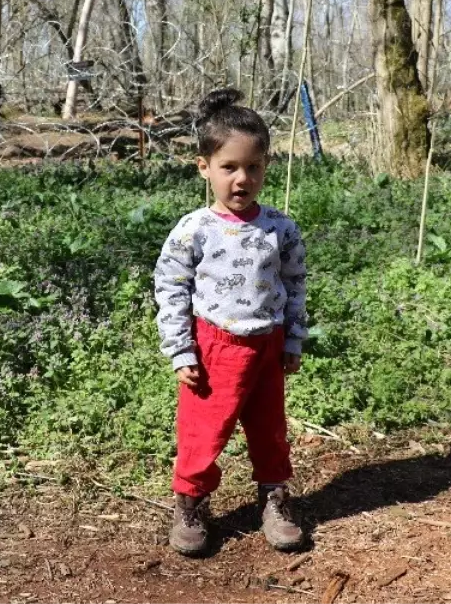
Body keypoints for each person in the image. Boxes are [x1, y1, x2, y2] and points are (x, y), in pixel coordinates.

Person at [154, 88, 308, 556]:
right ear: (205, 168)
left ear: (265, 167)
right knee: (203, 433)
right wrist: (181, 348)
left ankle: (275, 499)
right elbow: (170, 287)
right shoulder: (194, 229)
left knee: (270, 429)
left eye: (254, 167)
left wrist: (294, 339)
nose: (243, 178)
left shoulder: (280, 227)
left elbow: (296, 282)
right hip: (214, 349)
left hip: (267, 346)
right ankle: (191, 504)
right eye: (229, 168)